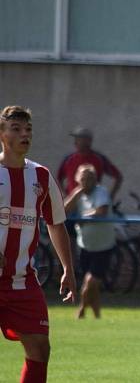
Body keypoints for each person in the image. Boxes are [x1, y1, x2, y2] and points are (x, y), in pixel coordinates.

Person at [0, 105, 76, 383]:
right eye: (16, 129)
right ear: (1, 133)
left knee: (40, 349)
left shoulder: (41, 176)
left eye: (28, 129)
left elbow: (55, 222)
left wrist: (68, 268)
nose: (24, 134)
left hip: (22, 281)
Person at [64, 164, 115, 319]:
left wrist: (83, 217)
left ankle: (81, 311)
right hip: (85, 246)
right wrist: (76, 194)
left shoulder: (101, 192)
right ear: (77, 179)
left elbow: (101, 211)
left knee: (90, 282)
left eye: (90, 178)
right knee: (94, 287)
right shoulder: (78, 194)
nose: (87, 181)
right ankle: (97, 316)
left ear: (96, 179)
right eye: (83, 178)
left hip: (103, 246)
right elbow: (64, 210)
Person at [57, 127, 123, 200]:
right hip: (72, 203)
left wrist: (110, 196)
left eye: (79, 139)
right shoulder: (68, 159)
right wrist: (64, 194)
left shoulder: (99, 159)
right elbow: (59, 178)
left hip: (92, 203)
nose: (75, 142)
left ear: (88, 141)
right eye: (75, 139)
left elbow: (118, 177)